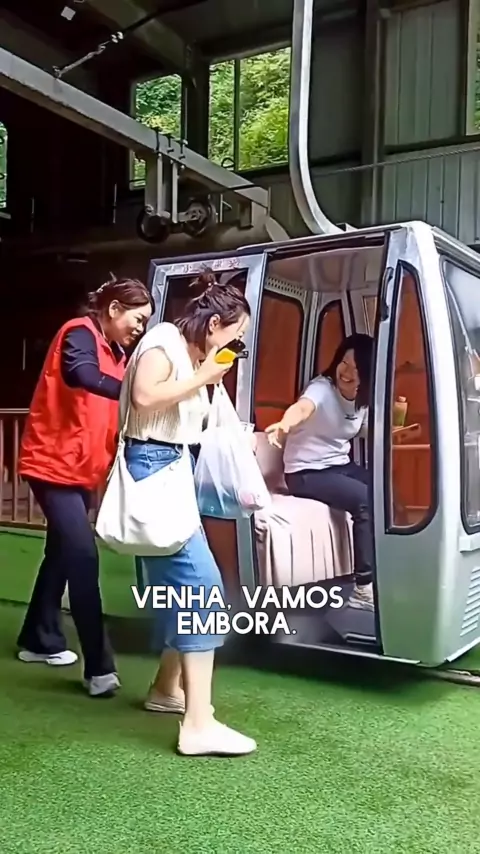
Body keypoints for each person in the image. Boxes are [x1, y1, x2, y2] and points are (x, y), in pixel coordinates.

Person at [123, 270, 257, 757]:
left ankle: (166, 688)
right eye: (236, 335)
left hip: (170, 470)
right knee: (201, 586)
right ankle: (198, 723)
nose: (236, 345)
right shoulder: (164, 340)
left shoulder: (190, 355)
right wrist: (203, 377)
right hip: (154, 468)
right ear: (215, 324)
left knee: (180, 587)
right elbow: (143, 397)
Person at [16, 275, 154, 697]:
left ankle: (38, 638)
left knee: (60, 553)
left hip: (81, 471)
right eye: (137, 319)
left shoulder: (117, 352)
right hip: (51, 466)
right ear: (113, 309)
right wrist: (135, 392)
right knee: (82, 555)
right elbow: (80, 375)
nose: (140, 328)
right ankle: (99, 667)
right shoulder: (79, 333)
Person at [265, 334, 375, 611]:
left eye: (356, 368)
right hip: (305, 472)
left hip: (338, 465)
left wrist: (396, 431)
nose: (347, 372)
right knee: (365, 500)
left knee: (386, 494)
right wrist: (284, 425)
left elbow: (359, 429)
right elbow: (303, 408)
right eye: (344, 363)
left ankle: (384, 570)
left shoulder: (363, 399)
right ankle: (363, 588)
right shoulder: (322, 388)